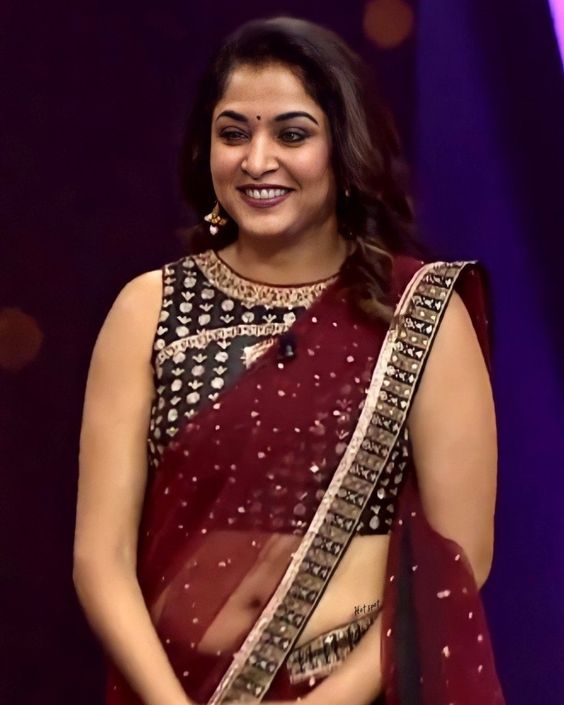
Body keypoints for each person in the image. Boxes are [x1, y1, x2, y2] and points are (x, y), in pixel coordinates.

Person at [73, 16, 505, 705]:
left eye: (292, 134)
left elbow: (460, 558)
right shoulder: (147, 309)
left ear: (344, 147)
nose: (257, 160)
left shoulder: (417, 312)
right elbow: (101, 559)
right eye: (233, 133)